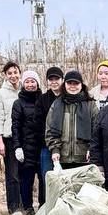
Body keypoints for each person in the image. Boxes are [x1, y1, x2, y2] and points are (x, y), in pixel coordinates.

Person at [46, 70, 98, 169]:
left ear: (81, 85)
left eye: (76, 83)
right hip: (61, 159)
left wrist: (91, 149)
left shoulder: (90, 105)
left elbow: (97, 131)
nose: (72, 86)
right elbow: (49, 130)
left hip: (85, 159)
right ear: (64, 85)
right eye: (69, 83)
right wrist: (55, 150)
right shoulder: (56, 104)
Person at [11, 70, 46, 213]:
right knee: (26, 180)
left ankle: (43, 207)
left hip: (42, 147)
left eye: (33, 81)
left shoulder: (43, 100)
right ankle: (28, 209)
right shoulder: (18, 103)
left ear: (38, 83)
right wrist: (17, 146)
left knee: (44, 179)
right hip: (26, 148)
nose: (30, 84)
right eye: (27, 82)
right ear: (23, 84)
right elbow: (15, 126)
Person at [0, 61, 23, 215]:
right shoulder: (0, 94)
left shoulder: (25, 89)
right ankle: (14, 208)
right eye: (9, 73)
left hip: (25, 138)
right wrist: (0, 141)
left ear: (20, 73)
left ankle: (26, 205)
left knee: (25, 174)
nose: (13, 76)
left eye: (15, 72)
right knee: (13, 174)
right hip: (9, 138)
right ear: (5, 75)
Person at [38, 66, 64, 200]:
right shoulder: (43, 99)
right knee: (47, 177)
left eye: (57, 79)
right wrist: (49, 142)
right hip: (47, 146)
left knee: (64, 179)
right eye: (51, 79)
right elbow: (38, 122)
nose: (54, 82)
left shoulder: (68, 97)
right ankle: (46, 205)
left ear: (62, 80)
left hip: (65, 145)